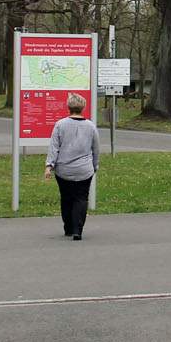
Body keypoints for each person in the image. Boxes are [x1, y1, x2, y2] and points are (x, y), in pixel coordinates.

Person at [44, 92, 99, 240]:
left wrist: (49, 166)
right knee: (81, 198)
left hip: (64, 170)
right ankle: (78, 230)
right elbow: (96, 149)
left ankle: (68, 227)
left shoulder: (60, 125)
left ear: (68, 107)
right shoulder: (91, 127)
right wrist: (94, 166)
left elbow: (54, 147)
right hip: (84, 170)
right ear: (83, 107)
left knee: (66, 198)